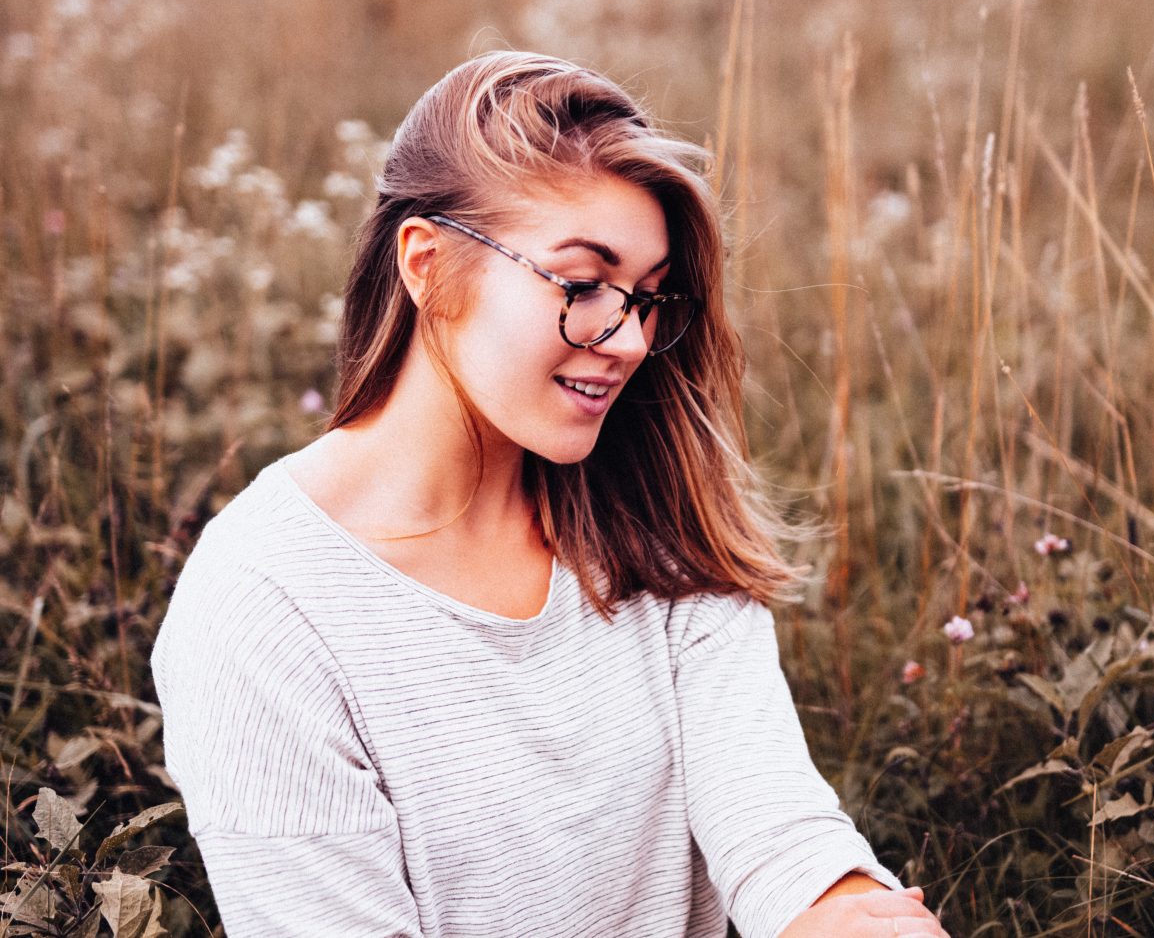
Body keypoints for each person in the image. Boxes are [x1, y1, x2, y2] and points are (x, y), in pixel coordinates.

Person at [151, 51, 949, 938]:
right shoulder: (263, 610)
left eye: (646, 298)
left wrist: (855, 912)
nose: (631, 341)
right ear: (428, 264)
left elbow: (776, 832)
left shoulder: (656, 519)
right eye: (581, 284)